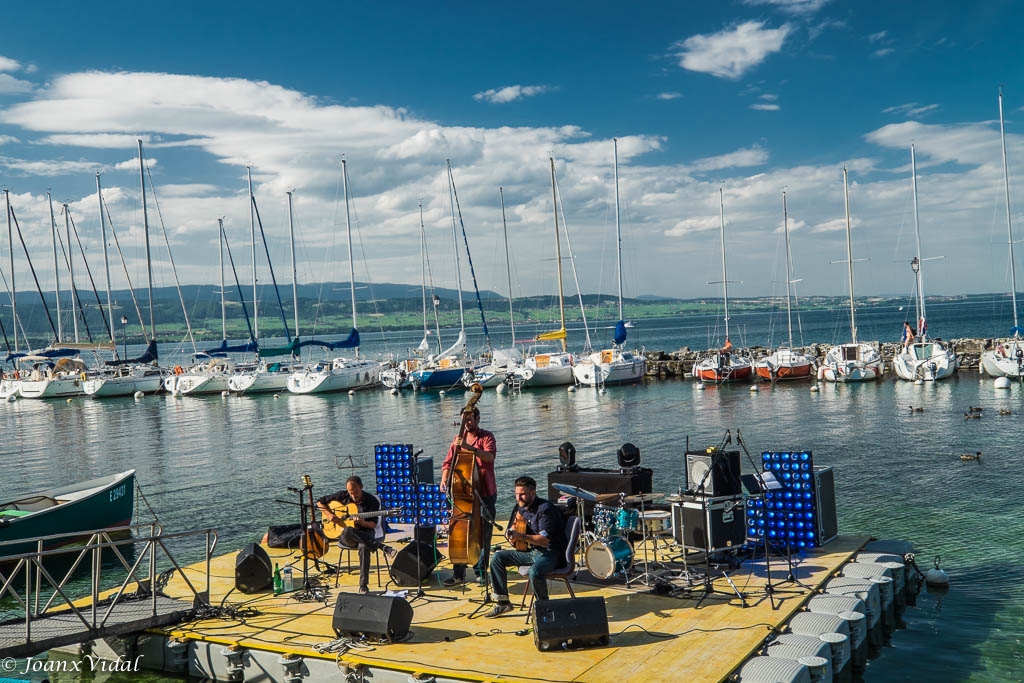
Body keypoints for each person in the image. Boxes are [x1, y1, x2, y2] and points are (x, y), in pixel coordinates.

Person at [485, 476, 566, 618]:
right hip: (531, 551)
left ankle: (544, 609)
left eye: (522, 494)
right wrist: (511, 536)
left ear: (533, 493)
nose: (518, 498)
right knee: (497, 557)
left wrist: (521, 537)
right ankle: (503, 603)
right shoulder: (520, 507)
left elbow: (544, 541)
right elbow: (514, 527)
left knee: (535, 571)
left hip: (551, 553)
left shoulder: (545, 509)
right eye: (516, 494)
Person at [440, 406, 497, 586]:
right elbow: (447, 463)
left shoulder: (487, 437)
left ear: (478, 419)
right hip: (463, 495)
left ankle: (481, 572)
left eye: (470, 419)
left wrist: (468, 447)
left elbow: (489, 458)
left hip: (485, 493)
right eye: (465, 419)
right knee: (459, 531)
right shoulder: (457, 440)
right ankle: (459, 574)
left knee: (483, 535)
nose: (467, 423)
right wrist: (444, 480)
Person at [317, 475, 394, 595]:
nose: (353, 496)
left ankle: (363, 586)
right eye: (351, 493)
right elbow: (320, 502)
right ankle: (382, 547)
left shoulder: (371, 501)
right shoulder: (343, 496)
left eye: (356, 492)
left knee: (364, 546)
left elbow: (373, 525)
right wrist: (329, 515)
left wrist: (362, 522)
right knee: (348, 530)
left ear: (361, 487)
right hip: (347, 536)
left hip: (366, 532)